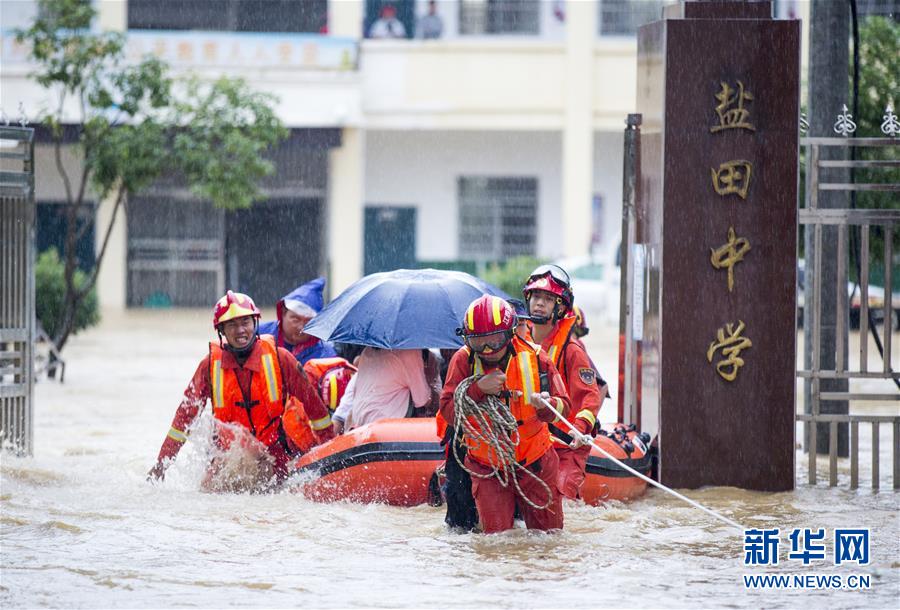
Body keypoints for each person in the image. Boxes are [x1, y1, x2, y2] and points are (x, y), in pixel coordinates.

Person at [148, 291, 335, 487]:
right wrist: (162, 464)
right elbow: (183, 420)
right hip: (226, 460)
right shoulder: (209, 366)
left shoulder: (281, 359)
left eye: (245, 322)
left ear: (255, 323)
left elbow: (316, 410)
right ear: (221, 330)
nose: (240, 330)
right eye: (232, 325)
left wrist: (330, 451)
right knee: (211, 488)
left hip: (274, 461)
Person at [439, 295, 569, 533]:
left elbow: (564, 406)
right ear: (469, 339)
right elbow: (448, 410)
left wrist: (547, 407)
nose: (488, 350)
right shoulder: (463, 360)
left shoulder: (536, 357)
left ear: (510, 334)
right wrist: (477, 389)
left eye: (495, 340)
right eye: (480, 342)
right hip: (487, 466)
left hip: (536, 463)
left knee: (549, 539)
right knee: (496, 543)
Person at [524, 265, 608, 501]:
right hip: (531, 441)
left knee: (560, 500)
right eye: (537, 296)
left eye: (548, 299)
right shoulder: (519, 343)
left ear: (560, 307)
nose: (540, 303)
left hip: (567, 444)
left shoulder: (572, 350)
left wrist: (579, 429)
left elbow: (590, 397)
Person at [332, 346, 431, 431]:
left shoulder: (367, 351)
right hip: (387, 432)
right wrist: (432, 376)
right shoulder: (411, 352)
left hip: (359, 429)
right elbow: (422, 400)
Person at [258, 277, 337, 365]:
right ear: (283, 313)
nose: (301, 327)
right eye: (295, 320)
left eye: (308, 322)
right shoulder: (258, 335)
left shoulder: (326, 355)